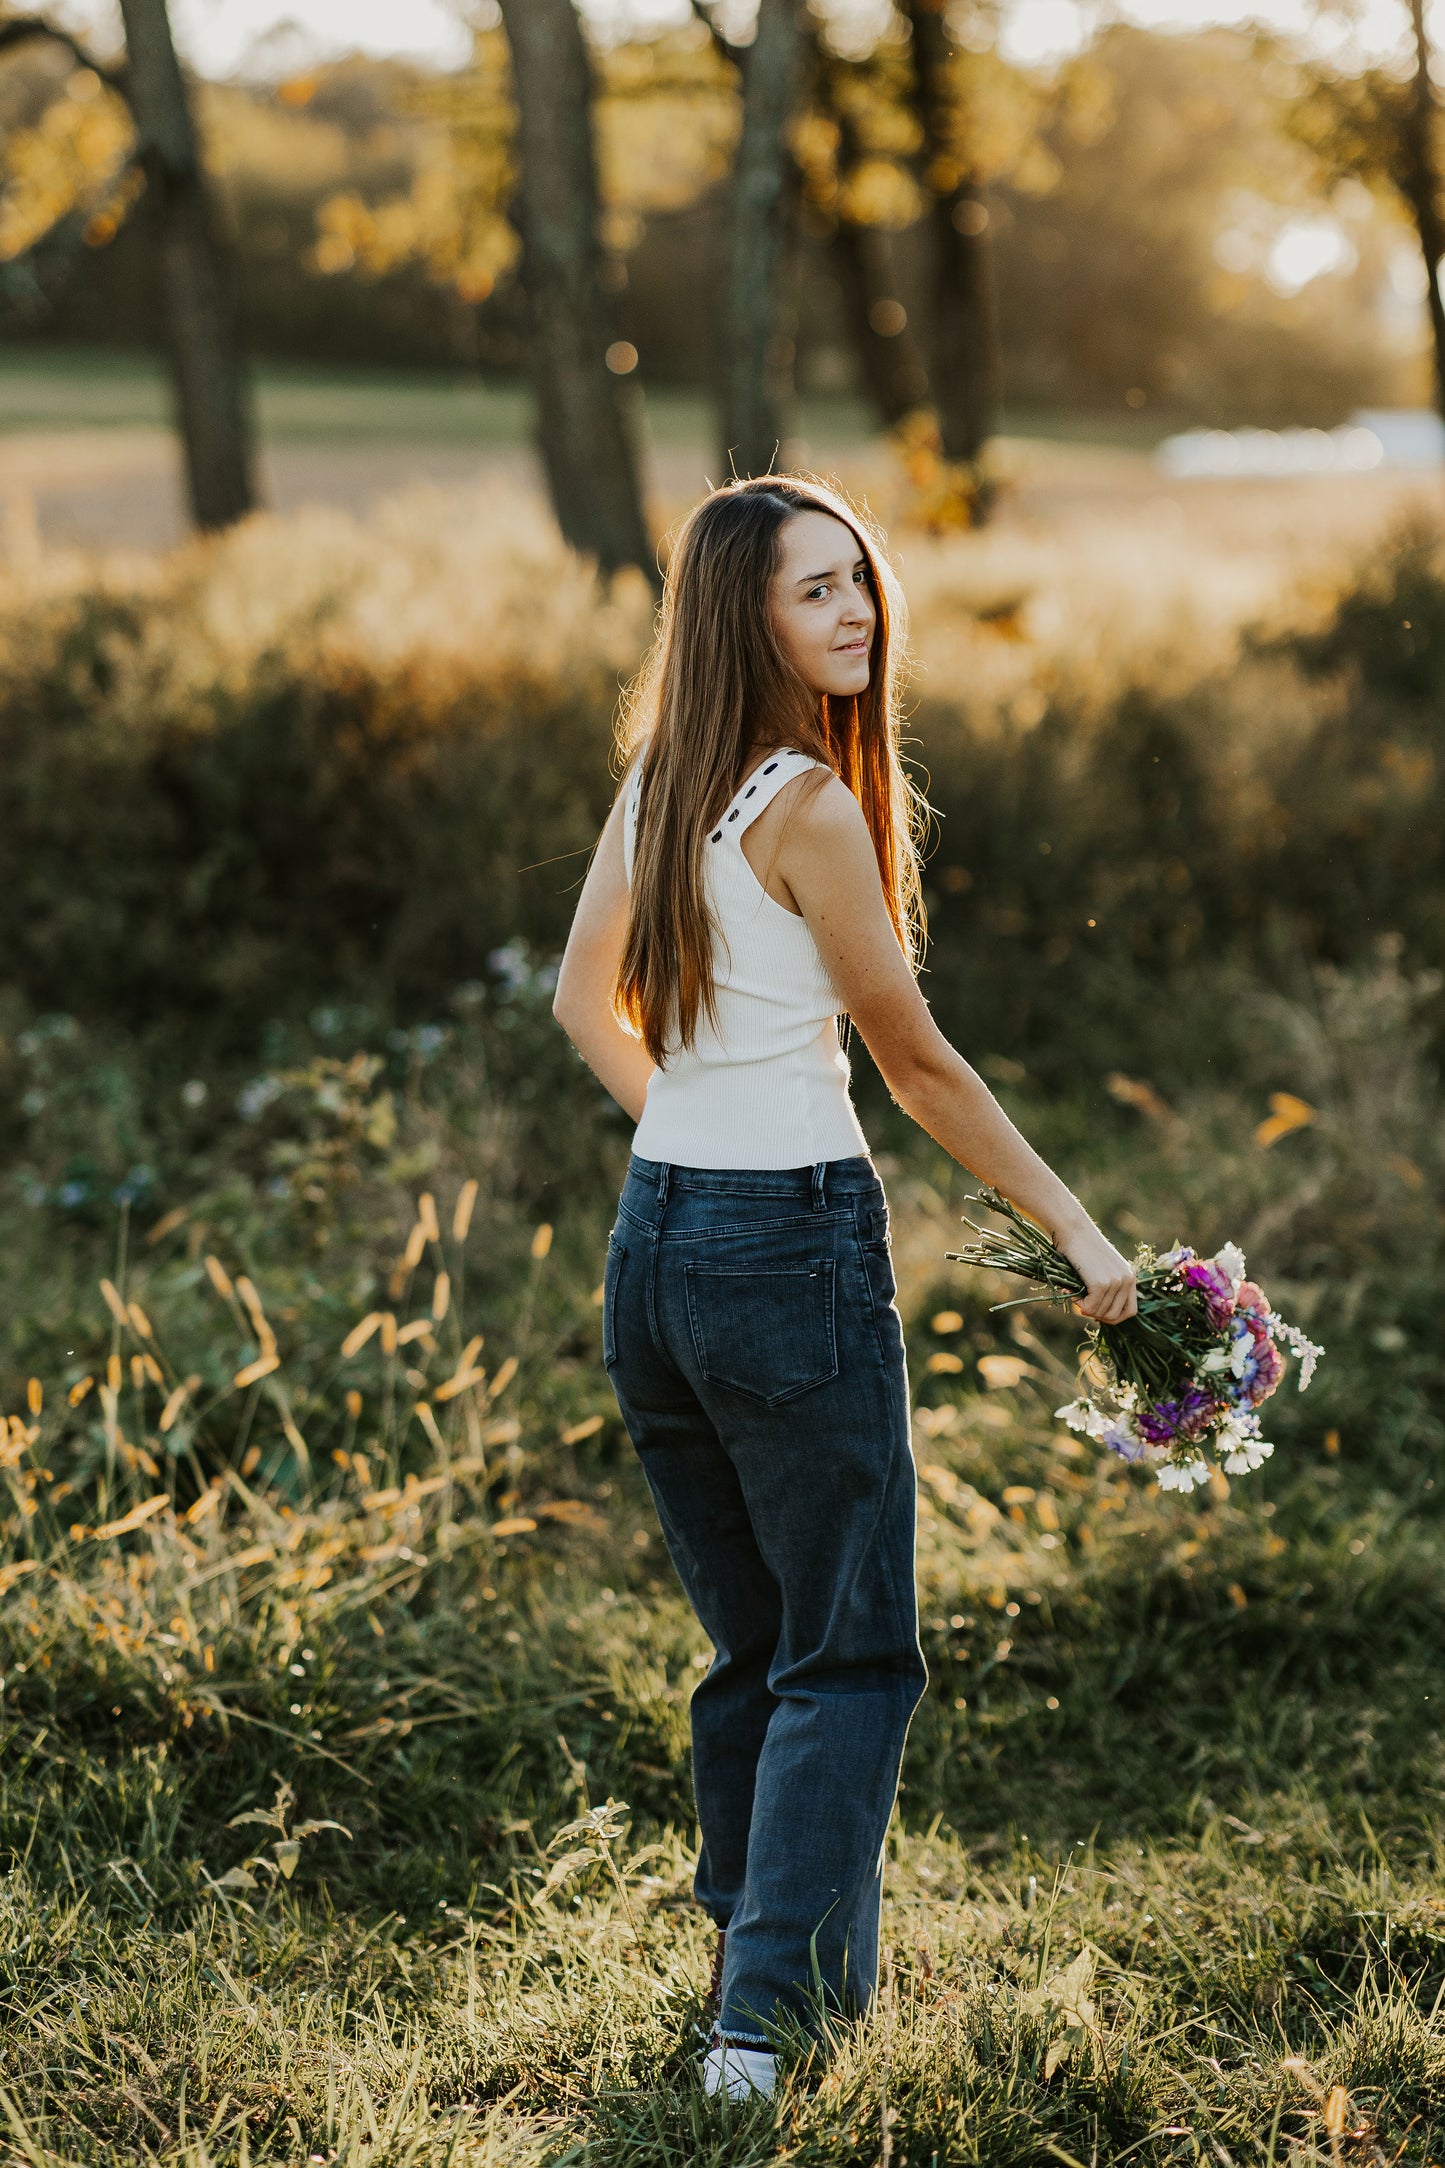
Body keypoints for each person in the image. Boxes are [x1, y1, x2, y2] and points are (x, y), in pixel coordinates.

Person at [553, 475, 1137, 2101]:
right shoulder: (800, 801)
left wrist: (684, 1131)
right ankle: (765, 2033)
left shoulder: (665, 781)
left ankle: (753, 1968)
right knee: (848, 1650)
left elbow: (578, 1003)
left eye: (858, 582)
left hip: (654, 1242)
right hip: (777, 1241)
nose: (854, 612)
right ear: (740, 614)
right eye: (814, 592)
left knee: (758, 1643)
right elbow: (919, 1068)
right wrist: (1088, 1240)